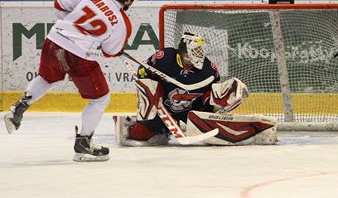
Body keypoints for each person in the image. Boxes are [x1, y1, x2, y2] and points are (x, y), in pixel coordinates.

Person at [4, 0, 140, 162]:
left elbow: (59, 4)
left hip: (55, 40)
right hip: (79, 55)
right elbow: (110, 51)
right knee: (100, 99)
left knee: (47, 78)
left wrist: (71, 29)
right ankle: (83, 143)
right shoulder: (123, 23)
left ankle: (18, 107)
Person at [115, 32, 276, 146]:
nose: (200, 53)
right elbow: (143, 71)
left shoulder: (208, 68)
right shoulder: (165, 57)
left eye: (201, 50)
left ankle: (215, 122)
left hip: (193, 109)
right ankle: (131, 124)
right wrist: (147, 84)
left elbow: (212, 91)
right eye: (196, 50)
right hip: (163, 108)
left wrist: (226, 98)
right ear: (185, 50)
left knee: (226, 94)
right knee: (140, 136)